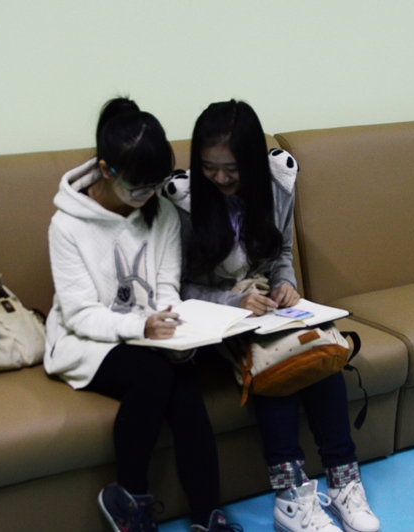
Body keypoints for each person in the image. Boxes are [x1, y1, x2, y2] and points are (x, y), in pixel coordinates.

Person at [170, 100, 381, 532]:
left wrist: (286, 284)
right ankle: (291, 498)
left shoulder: (277, 185)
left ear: (251, 161)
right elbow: (178, 287)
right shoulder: (185, 203)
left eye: (232, 169)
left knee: (319, 354)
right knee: (278, 365)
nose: (220, 179)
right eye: (210, 168)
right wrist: (234, 302)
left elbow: (281, 252)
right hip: (216, 319)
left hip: (268, 309)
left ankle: (344, 481)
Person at [44, 97, 242, 532]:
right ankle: (129, 501)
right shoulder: (67, 225)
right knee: (154, 376)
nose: (147, 197)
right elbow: (80, 315)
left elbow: (167, 288)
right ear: (106, 169)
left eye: (155, 186)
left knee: (184, 382)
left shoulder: (161, 212)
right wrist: (141, 326)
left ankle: (208, 517)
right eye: (138, 188)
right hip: (87, 341)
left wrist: (172, 326)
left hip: (149, 333)